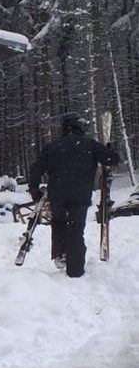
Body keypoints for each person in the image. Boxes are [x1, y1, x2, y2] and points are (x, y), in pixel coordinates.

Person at [28, 112, 120, 277]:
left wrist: (34, 189)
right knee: (76, 230)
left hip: (57, 195)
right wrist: (109, 150)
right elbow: (113, 159)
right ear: (80, 127)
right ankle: (75, 269)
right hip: (80, 196)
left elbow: (36, 169)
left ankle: (60, 254)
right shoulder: (90, 144)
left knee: (58, 224)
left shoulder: (52, 146)